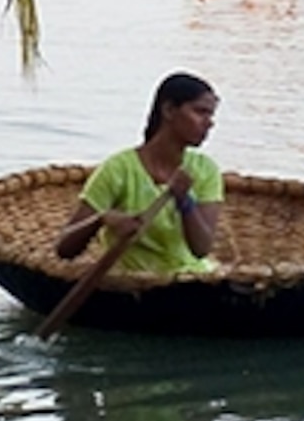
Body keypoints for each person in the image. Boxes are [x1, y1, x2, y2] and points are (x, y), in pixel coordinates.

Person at [56, 72, 225, 277]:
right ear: (169, 110)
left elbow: (201, 249)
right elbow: (64, 248)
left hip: (191, 279)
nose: (209, 123)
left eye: (211, 115)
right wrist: (102, 220)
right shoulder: (119, 169)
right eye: (200, 112)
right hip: (134, 282)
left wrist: (185, 200)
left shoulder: (205, 170)